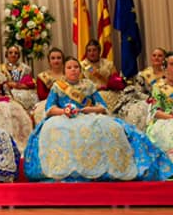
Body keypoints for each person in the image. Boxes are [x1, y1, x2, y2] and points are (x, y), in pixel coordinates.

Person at [23, 57, 172, 181]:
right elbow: (50, 109)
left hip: (89, 116)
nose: (73, 70)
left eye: (76, 67)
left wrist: (90, 109)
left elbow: (102, 106)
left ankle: (109, 169)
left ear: (80, 70)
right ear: (65, 71)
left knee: (112, 128)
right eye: (69, 67)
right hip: (63, 117)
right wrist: (64, 111)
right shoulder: (57, 87)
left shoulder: (88, 85)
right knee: (58, 130)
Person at [115, 46, 168, 131]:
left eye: (160, 56)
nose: (156, 58)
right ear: (151, 58)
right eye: (154, 55)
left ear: (165, 59)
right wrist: (150, 99)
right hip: (148, 102)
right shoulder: (143, 74)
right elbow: (138, 92)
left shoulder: (169, 74)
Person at [81, 40, 124, 113]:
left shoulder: (108, 64)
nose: (92, 53)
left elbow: (117, 82)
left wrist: (102, 78)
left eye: (94, 50)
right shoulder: (82, 65)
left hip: (109, 93)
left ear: (99, 51)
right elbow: (80, 84)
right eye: (89, 51)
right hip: (91, 94)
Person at [146, 52, 173, 157]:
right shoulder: (158, 87)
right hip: (165, 121)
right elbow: (156, 112)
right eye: (172, 64)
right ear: (165, 67)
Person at [0, 45, 39, 113]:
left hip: (25, 94)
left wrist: (18, 86)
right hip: (7, 94)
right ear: (6, 55)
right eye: (10, 53)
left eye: (16, 53)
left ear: (19, 55)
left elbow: (31, 83)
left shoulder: (26, 68)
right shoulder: (0, 69)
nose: (13, 55)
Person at [34, 48, 68, 125]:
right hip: (47, 103)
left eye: (59, 58)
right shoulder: (42, 76)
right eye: (53, 58)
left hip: (67, 103)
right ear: (49, 61)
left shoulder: (69, 76)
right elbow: (41, 96)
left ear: (63, 60)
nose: (56, 61)